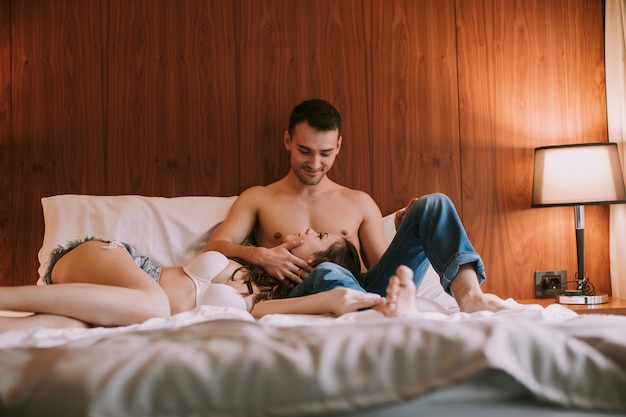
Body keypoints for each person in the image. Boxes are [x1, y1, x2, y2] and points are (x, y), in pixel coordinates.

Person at [206, 99, 506, 313]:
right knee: (325, 271)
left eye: (325, 153)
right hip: (307, 290)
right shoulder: (259, 198)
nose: (314, 163)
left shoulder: (358, 201)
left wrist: (406, 233)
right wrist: (259, 255)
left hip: (364, 286)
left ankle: (469, 296)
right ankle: (375, 310)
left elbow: (382, 269)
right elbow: (215, 247)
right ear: (287, 141)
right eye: (304, 151)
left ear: (338, 146)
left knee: (433, 204)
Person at [0, 229, 416, 332]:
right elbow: (223, 241)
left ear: (316, 264)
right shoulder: (247, 256)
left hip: (112, 301)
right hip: (114, 260)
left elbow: (275, 310)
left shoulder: (262, 302)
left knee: (47, 327)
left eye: (320, 237)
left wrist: (356, 300)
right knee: (155, 308)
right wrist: (256, 253)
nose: (308, 230)